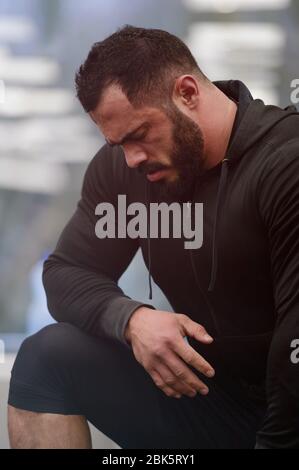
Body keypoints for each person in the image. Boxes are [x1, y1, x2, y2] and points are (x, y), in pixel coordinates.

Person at [7, 25, 299, 449]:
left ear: (187, 93)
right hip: (212, 398)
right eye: (117, 143)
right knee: (48, 357)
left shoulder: (285, 164)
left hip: (290, 409)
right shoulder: (127, 172)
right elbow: (67, 273)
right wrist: (131, 319)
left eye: (139, 135)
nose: (131, 158)